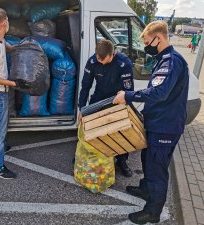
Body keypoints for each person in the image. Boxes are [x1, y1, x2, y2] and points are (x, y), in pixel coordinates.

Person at [113, 21, 189, 224]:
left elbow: (159, 93)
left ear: (159, 38)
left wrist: (128, 95)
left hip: (165, 126)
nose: (146, 47)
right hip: (157, 122)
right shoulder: (163, 59)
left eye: (148, 42)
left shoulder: (171, 61)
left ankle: (153, 212)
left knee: (157, 168)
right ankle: (147, 189)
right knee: (148, 159)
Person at [0, 8, 30, 179]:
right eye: (7, 20)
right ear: (3, 23)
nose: (8, 22)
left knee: (2, 125)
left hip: (2, 92)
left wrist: (23, 46)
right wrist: (14, 83)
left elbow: (8, 48)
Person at [78, 39, 134, 177]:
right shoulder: (92, 62)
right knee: (92, 130)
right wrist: (82, 109)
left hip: (117, 100)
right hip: (98, 98)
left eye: (105, 61)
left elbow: (128, 90)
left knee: (120, 132)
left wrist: (123, 106)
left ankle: (121, 161)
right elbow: (85, 86)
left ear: (112, 54)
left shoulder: (124, 64)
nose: (101, 63)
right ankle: (89, 155)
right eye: (99, 60)